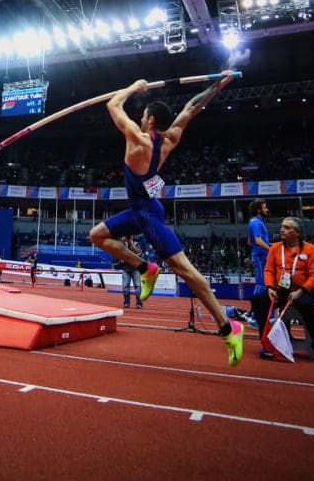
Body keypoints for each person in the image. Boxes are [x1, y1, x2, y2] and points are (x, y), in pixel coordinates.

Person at [88, 73, 245, 366]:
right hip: (141, 209)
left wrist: (133, 86)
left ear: (148, 121)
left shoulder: (137, 139)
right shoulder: (170, 138)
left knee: (184, 270)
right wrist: (216, 86)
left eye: (143, 114)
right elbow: (191, 108)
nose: (140, 116)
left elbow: (113, 104)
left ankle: (229, 327)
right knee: (97, 235)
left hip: (147, 215)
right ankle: (145, 268)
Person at [251, 216, 314, 365]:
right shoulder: (275, 248)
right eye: (282, 227)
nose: (282, 230)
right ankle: (267, 343)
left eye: (287, 227)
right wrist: (270, 287)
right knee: (258, 300)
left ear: (297, 232)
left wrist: (301, 291)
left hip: (301, 291)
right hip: (280, 290)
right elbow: (269, 270)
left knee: (307, 307)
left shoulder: (311, 250)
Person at [247, 199, 271, 292]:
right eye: (264, 208)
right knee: (262, 283)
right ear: (258, 210)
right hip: (261, 256)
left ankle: (261, 305)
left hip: (259, 255)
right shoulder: (256, 222)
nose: (267, 210)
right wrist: (271, 250)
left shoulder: (254, 222)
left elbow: (250, 242)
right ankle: (256, 306)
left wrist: (268, 244)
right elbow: (258, 241)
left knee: (262, 281)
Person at [118, 235, 144, 309]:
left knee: (138, 286)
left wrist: (131, 244)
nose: (128, 238)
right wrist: (122, 243)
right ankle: (126, 302)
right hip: (125, 268)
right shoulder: (123, 245)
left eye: (129, 237)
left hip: (135, 269)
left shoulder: (137, 244)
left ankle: (139, 303)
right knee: (125, 287)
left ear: (132, 237)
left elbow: (138, 253)